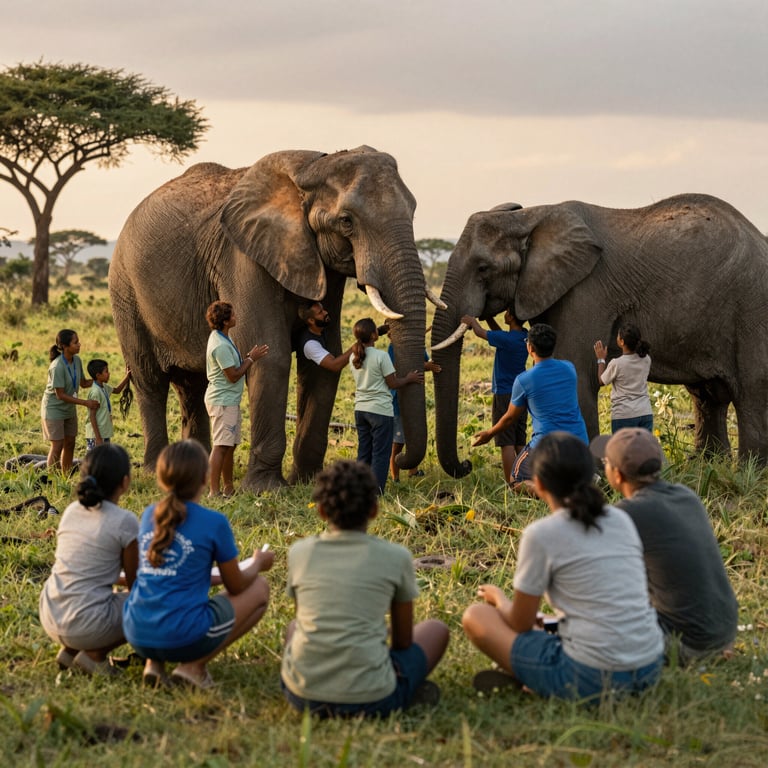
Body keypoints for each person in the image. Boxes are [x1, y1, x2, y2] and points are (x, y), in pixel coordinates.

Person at [462, 432, 664, 702]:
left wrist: (499, 599)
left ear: (539, 485)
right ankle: (535, 675)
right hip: (649, 666)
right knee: (545, 624)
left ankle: (539, 679)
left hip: (592, 677)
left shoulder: (541, 534)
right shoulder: (620, 519)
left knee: (476, 616)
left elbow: (519, 624)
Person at [281, 459, 449, 718]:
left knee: (293, 628)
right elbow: (403, 641)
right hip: (374, 699)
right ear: (374, 510)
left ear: (322, 511)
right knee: (436, 630)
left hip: (302, 696)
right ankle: (403, 688)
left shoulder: (299, 552)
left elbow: (307, 619)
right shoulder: (396, 556)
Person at [122, 440, 274, 689]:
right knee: (260, 588)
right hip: (183, 634)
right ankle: (193, 667)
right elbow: (236, 586)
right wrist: (257, 563)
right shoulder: (214, 522)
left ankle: (154, 664)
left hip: (135, 631)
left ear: (161, 478)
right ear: (205, 478)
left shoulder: (150, 514)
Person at [592, 428, 738, 666]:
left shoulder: (627, 513)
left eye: (606, 462)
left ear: (617, 476)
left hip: (688, 645)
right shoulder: (686, 496)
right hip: (725, 634)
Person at [39, 444, 138, 676]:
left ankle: (70, 651)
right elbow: (138, 586)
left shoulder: (72, 510)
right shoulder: (125, 521)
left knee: (94, 592)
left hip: (50, 613)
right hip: (85, 624)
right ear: (125, 482)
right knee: (151, 603)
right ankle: (93, 656)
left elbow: (84, 570)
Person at [472, 323, 587, 487]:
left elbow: (510, 417)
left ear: (530, 348)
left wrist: (489, 434)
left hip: (548, 447)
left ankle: (551, 493)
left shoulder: (523, 380)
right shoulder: (570, 368)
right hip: (580, 443)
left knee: (516, 481)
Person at [349, 318, 423, 494]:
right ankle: (376, 492)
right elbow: (393, 383)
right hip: (380, 411)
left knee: (364, 451)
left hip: (360, 410)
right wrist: (410, 379)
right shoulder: (381, 356)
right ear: (374, 335)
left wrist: (378, 330)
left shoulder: (354, 356)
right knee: (380, 454)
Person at [204, 301, 269, 496]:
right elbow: (232, 375)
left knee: (229, 446)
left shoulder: (223, 337)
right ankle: (214, 492)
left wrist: (247, 357)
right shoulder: (220, 345)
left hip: (229, 401)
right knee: (221, 446)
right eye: (232, 315)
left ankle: (228, 487)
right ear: (225, 320)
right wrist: (252, 359)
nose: (236, 317)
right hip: (222, 402)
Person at [462, 309, 528, 481]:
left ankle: (511, 483)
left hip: (504, 394)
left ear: (512, 317)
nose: (505, 314)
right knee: (519, 439)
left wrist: (472, 321)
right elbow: (501, 335)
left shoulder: (506, 340)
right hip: (522, 393)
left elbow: (479, 332)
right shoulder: (524, 336)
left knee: (506, 441)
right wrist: (489, 317)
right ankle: (524, 478)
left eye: (507, 312)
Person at [383, 325, 441, 482]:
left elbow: (425, 361)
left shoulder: (417, 345)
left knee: (413, 436)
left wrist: (431, 363)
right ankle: (395, 476)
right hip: (398, 401)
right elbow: (398, 368)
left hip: (415, 398)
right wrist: (425, 366)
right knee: (398, 441)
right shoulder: (393, 348)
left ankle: (412, 470)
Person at [40, 329, 99, 473]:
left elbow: (83, 383)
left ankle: (64, 478)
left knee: (70, 443)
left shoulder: (77, 360)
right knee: (57, 446)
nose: (79, 344)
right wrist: (85, 403)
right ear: (65, 346)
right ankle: (52, 480)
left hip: (69, 409)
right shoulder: (57, 366)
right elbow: (60, 395)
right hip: (54, 409)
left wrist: (100, 380)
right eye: (75, 342)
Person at [593, 324, 653, 432]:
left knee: (622, 449)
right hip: (645, 412)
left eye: (618, 336)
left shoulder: (617, 363)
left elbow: (601, 381)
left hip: (624, 415)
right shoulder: (646, 359)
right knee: (643, 448)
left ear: (621, 342)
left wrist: (601, 359)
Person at [84, 359, 132, 452]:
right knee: (95, 460)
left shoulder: (103, 386)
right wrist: (98, 437)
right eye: (106, 372)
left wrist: (127, 376)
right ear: (98, 375)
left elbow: (117, 390)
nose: (109, 373)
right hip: (96, 435)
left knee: (104, 458)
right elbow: (92, 416)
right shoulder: (95, 392)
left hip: (104, 432)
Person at [297, 301, 355, 371]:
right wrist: (356, 347)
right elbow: (334, 365)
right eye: (320, 312)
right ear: (311, 320)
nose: (326, 312)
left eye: (323, 309)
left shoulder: (320, 329)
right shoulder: (310, 344)